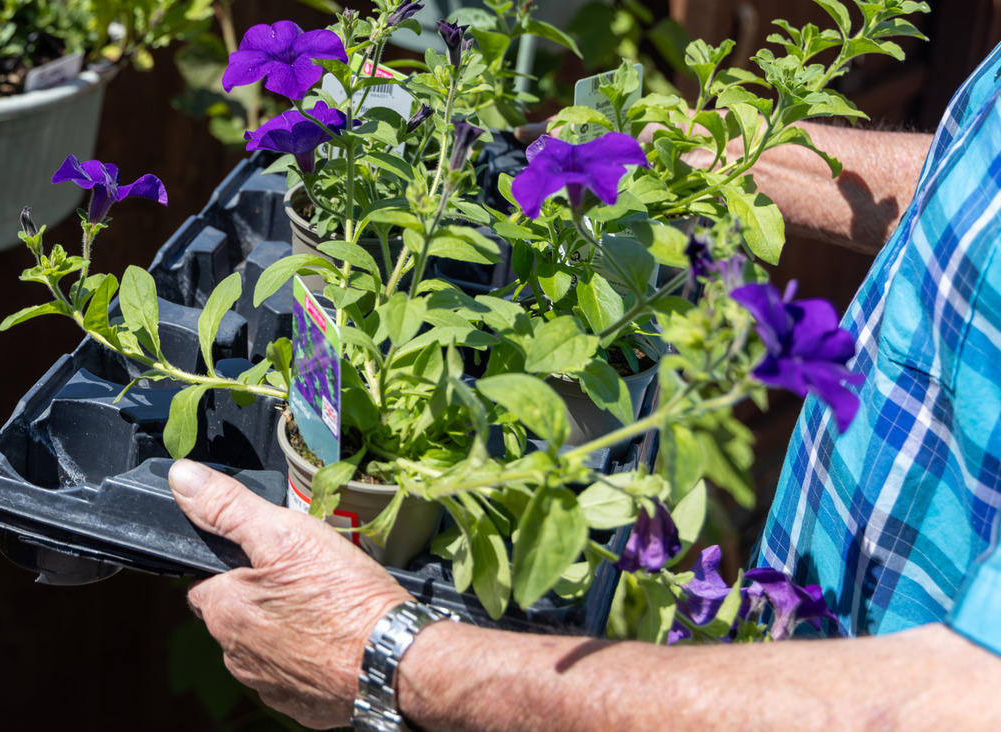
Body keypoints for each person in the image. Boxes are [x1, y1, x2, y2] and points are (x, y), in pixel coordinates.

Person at [166, 42, 1001, 730]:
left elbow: (950, 704)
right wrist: (663, 156)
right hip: (814, 634)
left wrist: (389, 657)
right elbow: (977, 184)